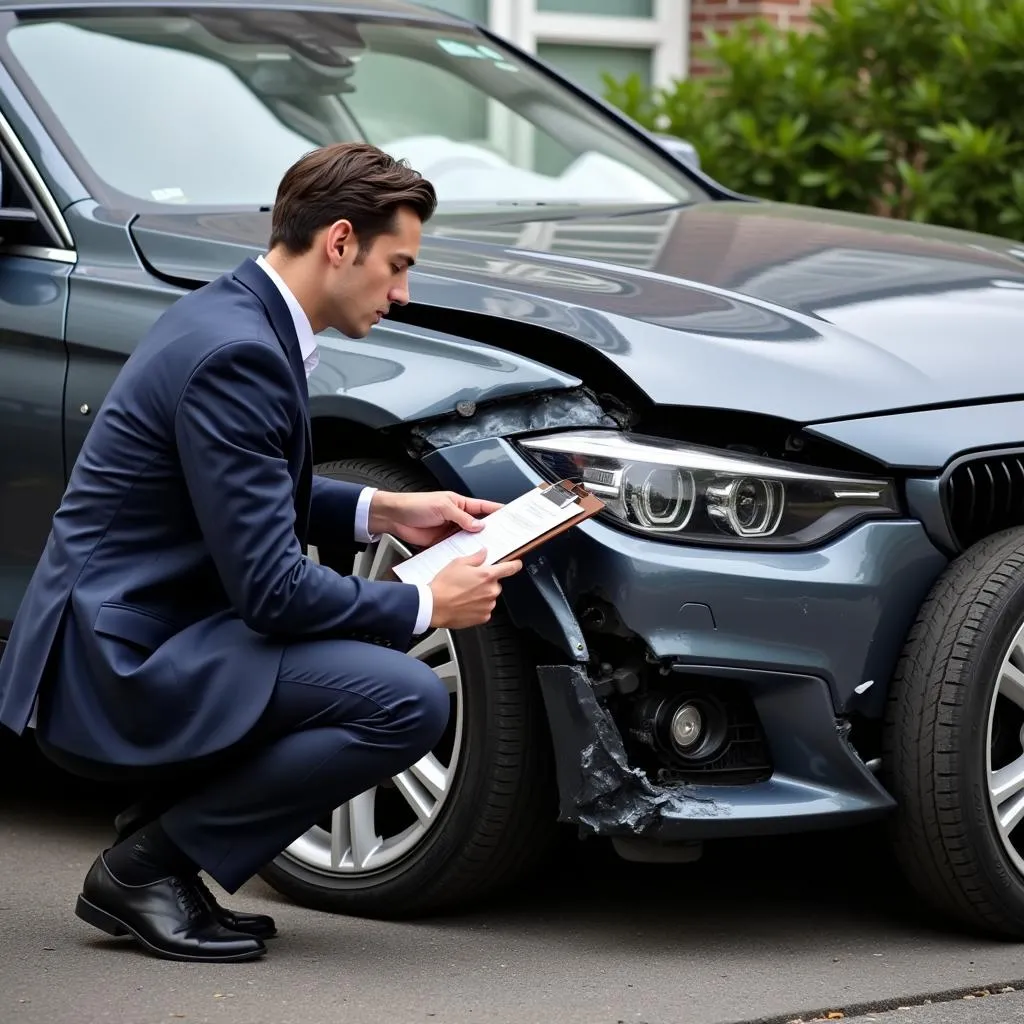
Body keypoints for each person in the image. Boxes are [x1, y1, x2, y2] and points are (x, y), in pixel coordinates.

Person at [0, 142, 522, 963]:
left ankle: (162, 842)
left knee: (361, 663)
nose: (403, 293)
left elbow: (230, 490)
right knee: (406, 700)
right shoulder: (240, 352)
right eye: (397, 265)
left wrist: (383, 509)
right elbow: (273, 592)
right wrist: (429, 603)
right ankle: (146, 868)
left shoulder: (235, 314)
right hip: (118, 660)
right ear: (340, 242)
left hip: (144, 627)